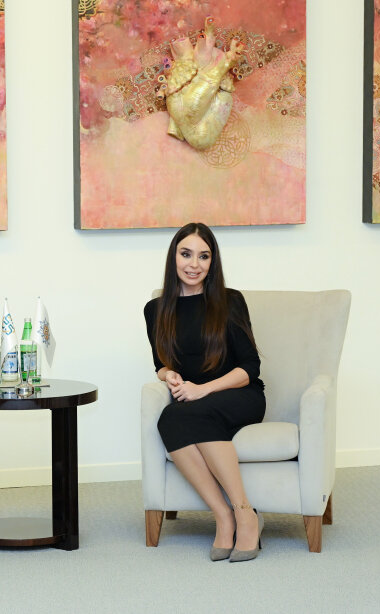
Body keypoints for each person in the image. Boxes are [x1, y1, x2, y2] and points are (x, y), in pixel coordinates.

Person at [143, 222, 267, 562]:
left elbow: (250, 368)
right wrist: (170, 376)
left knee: (192, 413)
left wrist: (202, 390)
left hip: (240, 395)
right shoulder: (155, 309)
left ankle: (245, 513)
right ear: (173, 257)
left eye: (204, 256)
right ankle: (224, 516)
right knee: (169, 419)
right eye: (186, 254)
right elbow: (160, 364)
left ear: (213, 262)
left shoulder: (230, 301)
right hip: (194, 400)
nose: (194, 264)